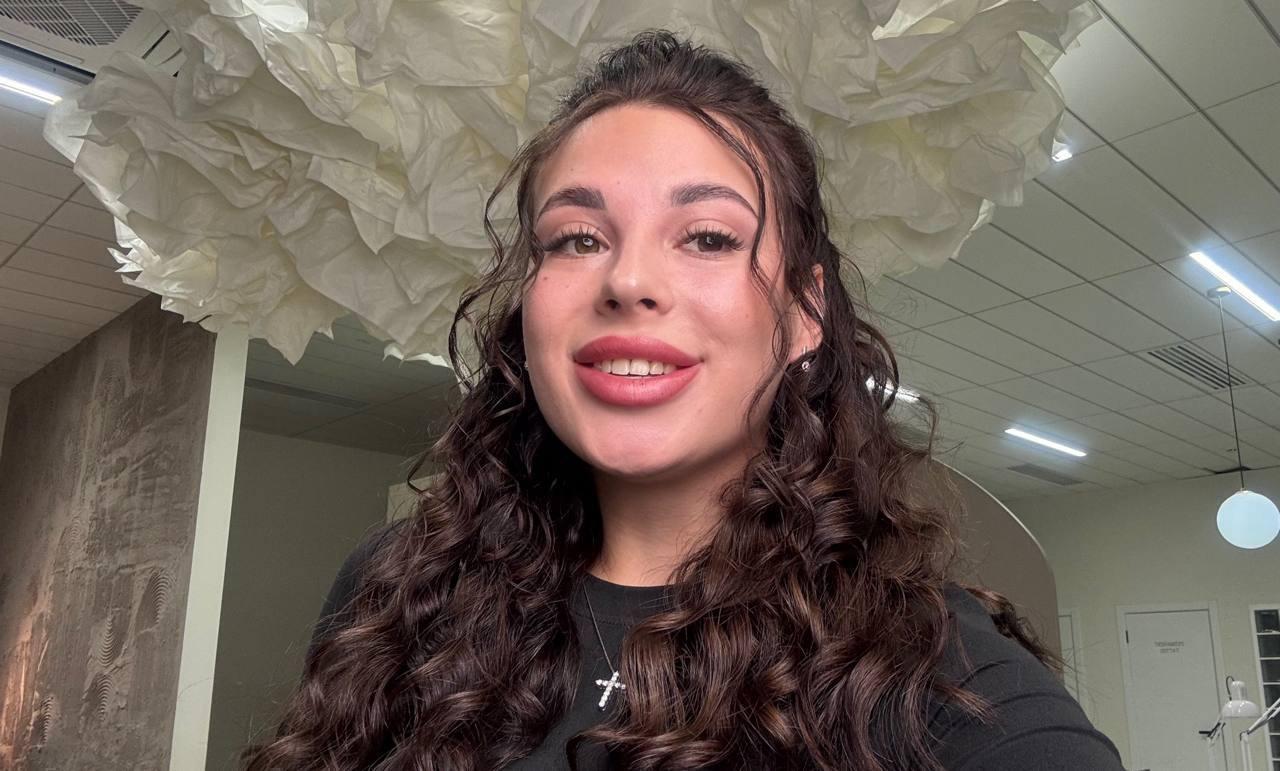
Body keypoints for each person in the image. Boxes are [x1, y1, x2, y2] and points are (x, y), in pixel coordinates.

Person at [243, 30, 1124, 771]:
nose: (628, 279)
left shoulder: (933, 672)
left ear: (806, 313)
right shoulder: (395, 589)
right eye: (576, 237)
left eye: (707, 236)